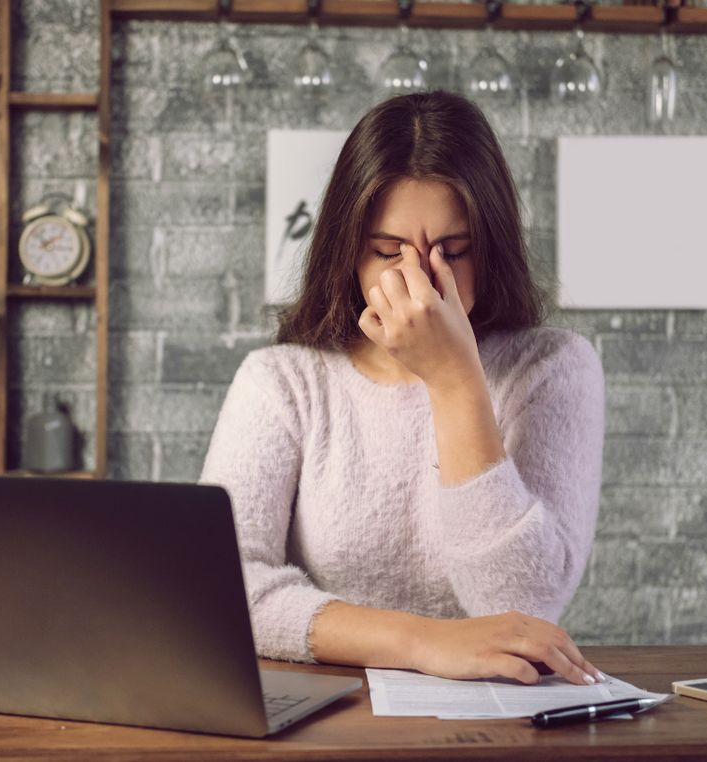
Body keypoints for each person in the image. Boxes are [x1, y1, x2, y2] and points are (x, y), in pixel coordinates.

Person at [200, 90, 605, 687]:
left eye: (455, 250)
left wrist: (454, 379)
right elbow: (222, 585)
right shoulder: (282, 381)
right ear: (348, 253)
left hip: (502, 720)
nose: (419, 278)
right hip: (330, 713)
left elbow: (521, 604)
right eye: (388, 251)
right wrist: (422, 642)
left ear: (491, 247)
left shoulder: (552, 367)